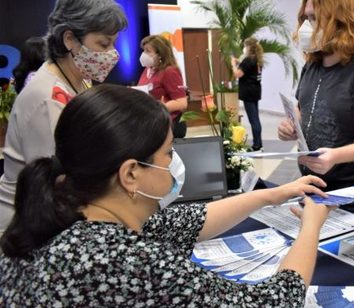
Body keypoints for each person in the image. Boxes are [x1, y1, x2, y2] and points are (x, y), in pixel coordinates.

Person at [0, 84, 332, 306]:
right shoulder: (125, 260)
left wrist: (273, 195)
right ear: (130, 173)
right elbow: (271, 302)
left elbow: (188, 221)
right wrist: (311, 229)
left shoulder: (67, 211)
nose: (175, 163)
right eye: (169, 153)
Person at [0, 0, 127, 232]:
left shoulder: (80, 80)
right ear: (70, 39)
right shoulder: (47, 98)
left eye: (113, 43)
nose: (111, 54)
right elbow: (55, 182)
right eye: (103, 43)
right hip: (26, 228)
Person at [277, 0, 354, 194]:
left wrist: (337, 155)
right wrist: (290, 124)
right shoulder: (312, 65)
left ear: (339, 21)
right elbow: (302, 107)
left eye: (314, 19)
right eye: (305, 18)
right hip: (311, 184)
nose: (306, 27)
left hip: (352, 191)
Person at [138, 35, 188, 138]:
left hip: (167, 126)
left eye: (148, 51)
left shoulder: (170, 71)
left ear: (160, 54)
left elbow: (182, 103)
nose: (144, 54)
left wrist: (159, 107)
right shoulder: (148, 70)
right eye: (144, 50)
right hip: (151, 123)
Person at [231, 37, 264, 151]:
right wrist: (240, 62)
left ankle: (257, 145)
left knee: (253, 119)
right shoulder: (257, 59)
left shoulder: (248, 60)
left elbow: (238, 74)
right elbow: (249, 70)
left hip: (248, 93)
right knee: (256, 118)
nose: (244, 48)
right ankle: (259, 143)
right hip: (255, 91)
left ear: (249, 47)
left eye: (245, 46)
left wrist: (233, 64)